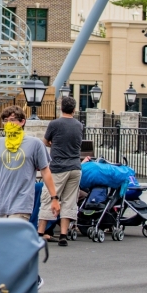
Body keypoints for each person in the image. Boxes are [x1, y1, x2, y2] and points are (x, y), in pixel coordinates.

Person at [0, 105, 59, 221]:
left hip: (22, 202)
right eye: (5, 121)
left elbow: (45, 171)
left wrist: (54, 197)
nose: (8, 124)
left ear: (22, 122)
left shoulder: (35, 144)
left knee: (14, 235)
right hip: (2, 203)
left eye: (12, 120)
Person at [38, 95, 84, 246]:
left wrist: (54, 145)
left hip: (58, 167)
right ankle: (63, 235)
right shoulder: (79, 125)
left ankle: (40, 232)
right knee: (69, 201)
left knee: (50, 197)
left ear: (61, 108)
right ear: (74, 110)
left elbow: (45, 141)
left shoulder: (55, 124)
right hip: (75, 167)